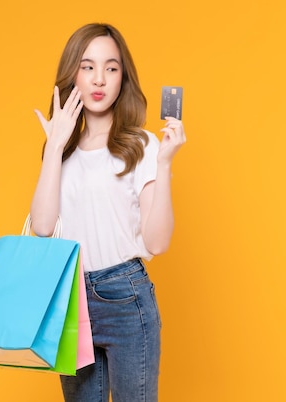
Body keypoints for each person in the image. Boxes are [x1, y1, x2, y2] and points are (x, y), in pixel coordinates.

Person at [30, 22, 186, 402]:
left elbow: (158, 242)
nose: (99, 78)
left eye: (111, 68)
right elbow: (43, 226)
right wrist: (53, 147)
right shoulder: (61, 153)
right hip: (71, 302)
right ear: (73, 75)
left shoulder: (141, 145)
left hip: (126, 298)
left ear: (122, 78)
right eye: (88, 67)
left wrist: (163, 165)